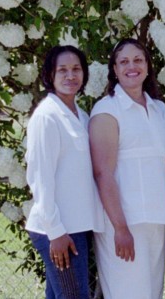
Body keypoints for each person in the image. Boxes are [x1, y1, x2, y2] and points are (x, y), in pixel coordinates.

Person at [89, 38, 165, 299]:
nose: (131, 66)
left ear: (148, 66)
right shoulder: (107, 110)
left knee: (151, 294)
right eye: (123, 61)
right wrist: (121, 228)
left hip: (155, 220)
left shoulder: (160, 109)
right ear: (114, 69)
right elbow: (103, 173)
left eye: (138, 60)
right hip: (123, 223)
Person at [25, 45, 104, 299]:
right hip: (58, 230)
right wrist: (56, 232)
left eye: (76, 69)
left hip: (76, 227)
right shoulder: (47, 116)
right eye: (63, 70)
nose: (70, 76)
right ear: (50, 75)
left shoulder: (79, 115)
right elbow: (40, 178)